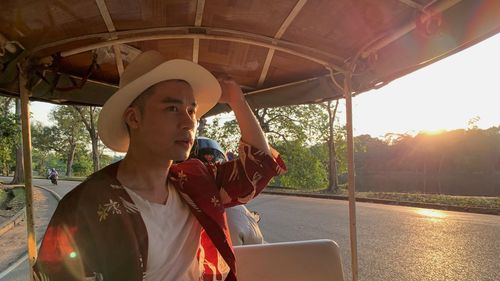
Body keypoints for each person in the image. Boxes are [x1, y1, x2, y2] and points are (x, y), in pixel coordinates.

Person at [33, 50, 286, 281]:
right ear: (134, 118)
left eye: (191, 110)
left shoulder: (196, 180)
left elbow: (258, 167)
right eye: (172, 108)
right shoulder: (85, 205)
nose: (188, 123)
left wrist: (236, 99)